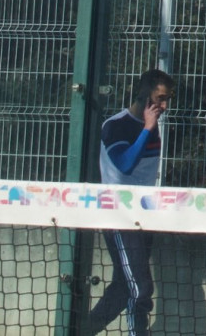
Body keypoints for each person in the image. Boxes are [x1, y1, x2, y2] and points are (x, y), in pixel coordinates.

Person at [86, 69, 175, 336]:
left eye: (168, 99)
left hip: (144, 218)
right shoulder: (115, 126)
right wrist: (146, 128)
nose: (164, 106)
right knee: (141, 288)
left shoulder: (153, 128)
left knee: (123, 288)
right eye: (160, 98)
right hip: (119, 217)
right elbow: (125, 165)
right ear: (144, 94)